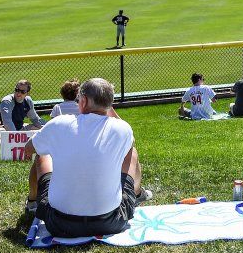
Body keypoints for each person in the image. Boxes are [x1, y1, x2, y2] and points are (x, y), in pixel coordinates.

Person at [23, 78, 150, 237]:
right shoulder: (122, 128)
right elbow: (129, 144)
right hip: (110, 222)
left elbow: (30, 147)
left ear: (83, 101)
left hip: (59, 223)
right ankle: (136, 195)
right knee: (132, 152)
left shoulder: (59, 123)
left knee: (43, 153)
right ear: (109, 104)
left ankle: (32, 202)